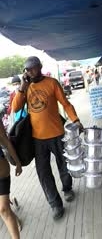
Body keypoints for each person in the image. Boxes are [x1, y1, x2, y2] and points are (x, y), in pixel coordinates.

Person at [12, 56, 83, 220]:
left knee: (64, 164)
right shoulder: (25, 87)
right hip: (37, 138)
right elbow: (15, 108)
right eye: (27, 69)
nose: (30, 72)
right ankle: (55, 204)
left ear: (40, 67)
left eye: (32, 68)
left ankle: (67, 188)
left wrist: (76, 120)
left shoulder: (52, 83)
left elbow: (65, 104)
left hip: (57, 133)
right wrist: (23, 87)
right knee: (43, 172)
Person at [0, 120, 22, 239]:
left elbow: (6, 142)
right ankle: (14, 217)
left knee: (3, 209)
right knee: (3, 208)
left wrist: (18, 163)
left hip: (1, 172)